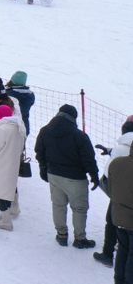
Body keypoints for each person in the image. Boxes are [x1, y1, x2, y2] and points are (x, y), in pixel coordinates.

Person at [35, 104, 100, 247]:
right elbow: (88, 159)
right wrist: (94, 176)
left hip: (53, 174)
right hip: (75, 178)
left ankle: (61, 235)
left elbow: (40, 152)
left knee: (58, 205)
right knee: (79, 209)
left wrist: (43, 168)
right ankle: (80, 239)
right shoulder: (79, 136)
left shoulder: (44, 131)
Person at [0, 105, 26, 231]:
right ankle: (4, 215)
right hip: (12, 164)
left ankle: (6, 220)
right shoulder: (19, 127)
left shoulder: (3, 129)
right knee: (6, 191)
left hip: (0, 164)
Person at [106, 141, 133, 277]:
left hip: (117, 216)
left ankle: (119, 280)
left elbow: (111, 189)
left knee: (123, 250)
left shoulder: (116, 163)